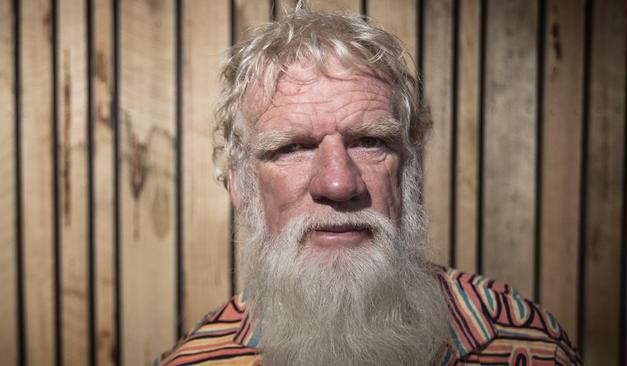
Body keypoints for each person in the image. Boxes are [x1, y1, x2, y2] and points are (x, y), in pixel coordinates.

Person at [157, 6, 580, 366]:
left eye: (371, 142)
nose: (339, 183)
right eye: (292, 148)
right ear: (241, 188)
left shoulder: (524, 345)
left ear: (408, 172)